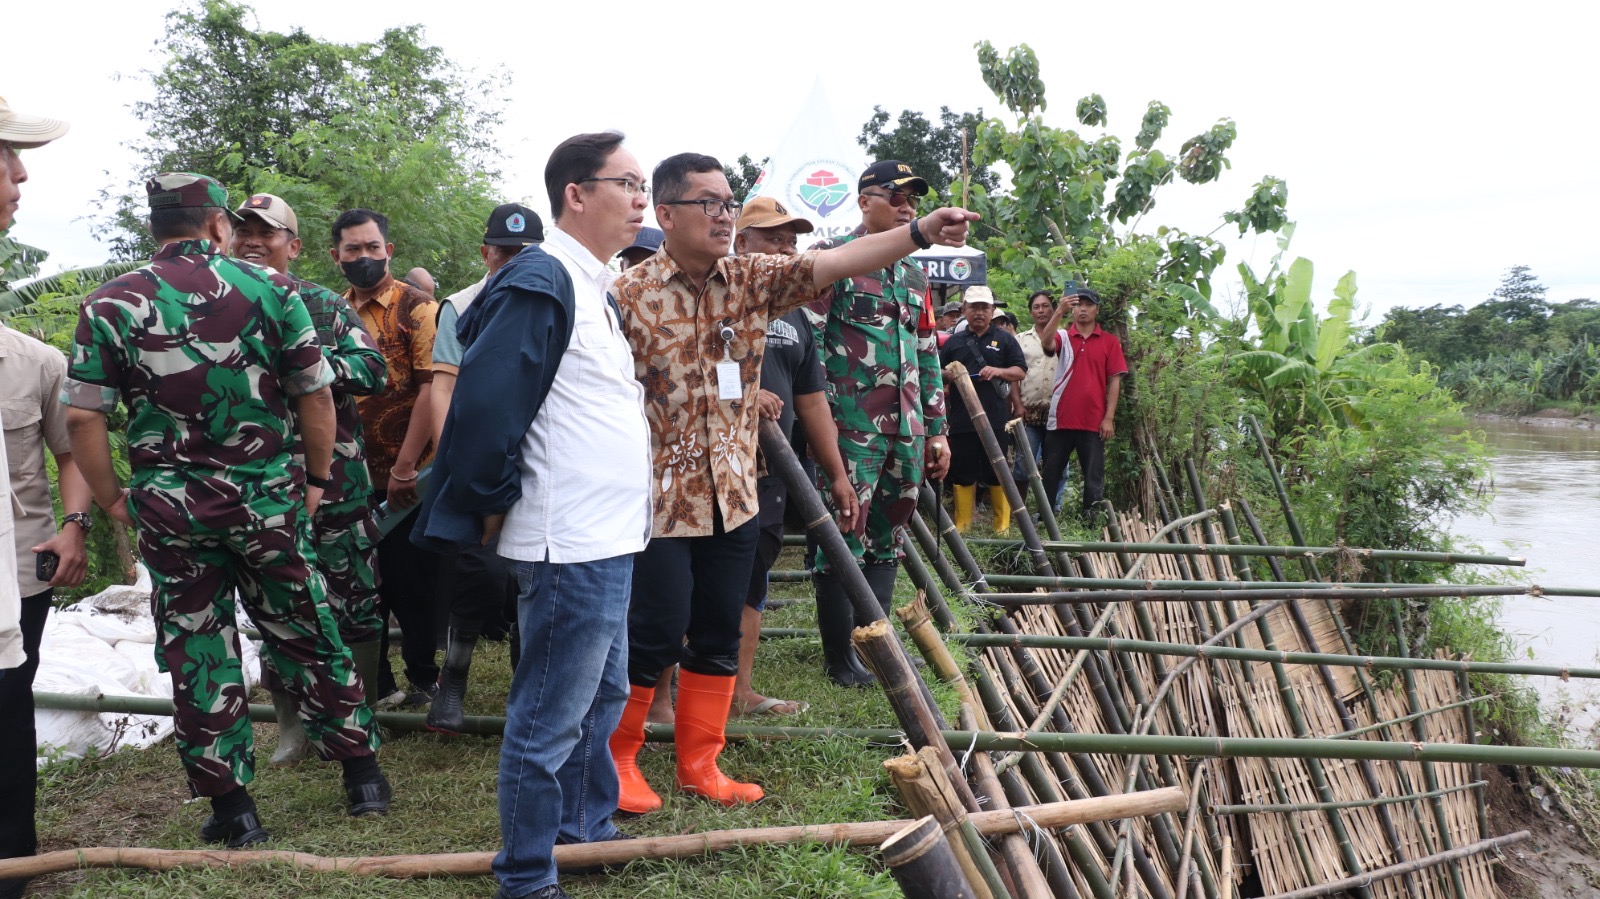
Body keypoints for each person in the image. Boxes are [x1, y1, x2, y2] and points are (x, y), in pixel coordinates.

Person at [608, 153, 971, 812]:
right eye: (707, 204)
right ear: (666, 214)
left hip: (736, 489)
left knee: (718, 627)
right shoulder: (626, 293)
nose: (723, 216)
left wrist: (920, 233)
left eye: (727, 202)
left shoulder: (751, 279)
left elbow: (834, 263)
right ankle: (622, 759)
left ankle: (701, 763)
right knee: (656, 628)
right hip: (656, 496)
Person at [64, 173, 388, 849]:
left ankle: (234, 809)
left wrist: (113, 498)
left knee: (198, 647)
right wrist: (317, 480)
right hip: (268, 500)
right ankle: (363, 777)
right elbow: (316, 397)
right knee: (307, 627)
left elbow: (82, 417)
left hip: (172, 511)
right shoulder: (274, 290)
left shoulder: (109, 303)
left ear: (156, 227)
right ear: (217, 225)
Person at [413, 131, 652, 899]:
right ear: (576, 194)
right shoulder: (541, 279)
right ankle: (527, 874)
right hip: (568, 539)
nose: (641, 198)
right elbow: (482, 413)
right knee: (547, 717)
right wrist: (486, 508)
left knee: (602, 698)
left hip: (610, 538)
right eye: (628, 182)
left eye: (646, 184)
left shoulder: (595, 285)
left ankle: (585, 830)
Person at [230, 193, 389, 760]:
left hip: (337, 483)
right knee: (275, 609)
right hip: (260, 489)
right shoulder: (214, 308)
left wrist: (308, 364)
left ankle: (359, 717)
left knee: (356, 602)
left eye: (267, 232)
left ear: (293, 247)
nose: (252, 239)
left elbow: (374, 369)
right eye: (241, 228)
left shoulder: (323, 305)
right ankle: (293, 726)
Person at [805, 159, 953, 686]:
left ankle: (877, 649)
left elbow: (928, 350)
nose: (908, 206)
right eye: (896, 195)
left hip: (907, 432)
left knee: (889, 533)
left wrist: (937, 429)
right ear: (865, 201)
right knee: (843, 535)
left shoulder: (915, 273)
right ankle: (840, 659)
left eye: (914, 198)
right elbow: (811, 351)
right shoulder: (833, 260)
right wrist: (820, 425)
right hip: (851, 429)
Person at [0, 96, 90, 899]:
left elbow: (71, 455)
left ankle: (13, 867)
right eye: (6, 156)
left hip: (18, 571)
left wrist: (72, 527)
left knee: (7, 718)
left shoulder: (33, 360)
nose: (21, 175)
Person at [730, 197, 855, 716]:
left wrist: (836, 473)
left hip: (772, 474)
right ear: (741, 244)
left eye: (792, 239)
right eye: (773, 237)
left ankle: (739, 691)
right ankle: (666, 697)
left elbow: (811, 399)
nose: (787, 247)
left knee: (753, 578)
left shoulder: (799, 318)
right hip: (709, 470)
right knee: (686, 580)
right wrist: (741, 391)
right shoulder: (718, 301)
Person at [424, 202, 542, 734]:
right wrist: (465, 455)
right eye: (505, 251)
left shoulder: (547, 296)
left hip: (536, 453)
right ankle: (455, 674)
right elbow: (444, 385)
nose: (513, 259)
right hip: (478, 448)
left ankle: (529, 690)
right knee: (477, 568)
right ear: (486, 253)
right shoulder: (463, 304)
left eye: (525, 252)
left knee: (532, 573)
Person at [333, 208, 441, 708]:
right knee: (359, 585)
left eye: (372, 248)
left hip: (409, 473)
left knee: (414, 580)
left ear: (388, 251)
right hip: (347, 475)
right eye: (352, 249)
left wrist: (405, 469)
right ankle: (377, 686)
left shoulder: (418, 308)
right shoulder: (329, 312)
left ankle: (423, 676)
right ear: (336, 257)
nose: (364, 258)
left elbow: (430, 390)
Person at [939, 285, 1025, 534]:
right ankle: (963, 526)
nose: (979, 312)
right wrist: (955, 374)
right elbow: (937, 373)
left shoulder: (1005, 339)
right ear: (964, 310)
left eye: (984, 308)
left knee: (996, 471)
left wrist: (998, 371)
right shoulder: (954, 341)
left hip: (996, 418)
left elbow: (1019, 371)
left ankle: (1002, 527)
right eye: (974, 307)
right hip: (962, 419)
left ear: (992, 310)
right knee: (963, 471)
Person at [1040, 286, 1128, 522]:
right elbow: (1046, 344)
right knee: (1050, 473)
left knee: (1093, 476)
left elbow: (1114, 381)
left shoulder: (1109, 342)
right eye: (1078, 305)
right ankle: (1045, 519)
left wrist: (1109, 418)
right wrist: (1058, 311)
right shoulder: (1064, 336)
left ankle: (1090, 521)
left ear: (1096, 310)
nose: (1083, 309)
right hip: (1061, 418)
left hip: (1094, 421)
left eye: (1088, 305)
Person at [1015, 289, 1069, 511]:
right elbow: (1015, 376)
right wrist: (1017, 405)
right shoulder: (1020, 340)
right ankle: (1020, 511)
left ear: (1054, 309)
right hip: (1028, 411)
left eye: (1046, 305)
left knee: (1057, 467)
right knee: (1022, 464)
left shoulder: (1066, 338)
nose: (1041, 310)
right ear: (1030, 313)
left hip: (1059, 413)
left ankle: (1051, 511)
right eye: (1036, 307)